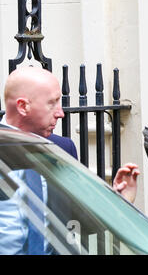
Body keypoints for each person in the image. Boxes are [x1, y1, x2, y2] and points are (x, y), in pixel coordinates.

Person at [0, 67, 139, 254]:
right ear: (23, 106)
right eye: (52, 103)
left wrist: (118, 201)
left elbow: (81, 220)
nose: (61, 113)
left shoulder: (62, 150)